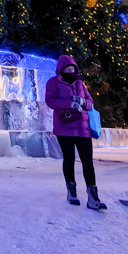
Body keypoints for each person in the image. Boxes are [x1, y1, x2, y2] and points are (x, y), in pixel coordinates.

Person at [45, 55, 105, 210]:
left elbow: (90, 101)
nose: (71, 72)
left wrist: (85, 103)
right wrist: (70, 104)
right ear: (61, 70)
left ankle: (93, 194)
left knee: (87, 161)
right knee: (69, 158)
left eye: (73, 69)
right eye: (67, 69)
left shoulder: (80, 83)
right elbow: (50, 101)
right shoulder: (53, 83)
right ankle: (71, 190)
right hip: (64, 127)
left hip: (83, 128)